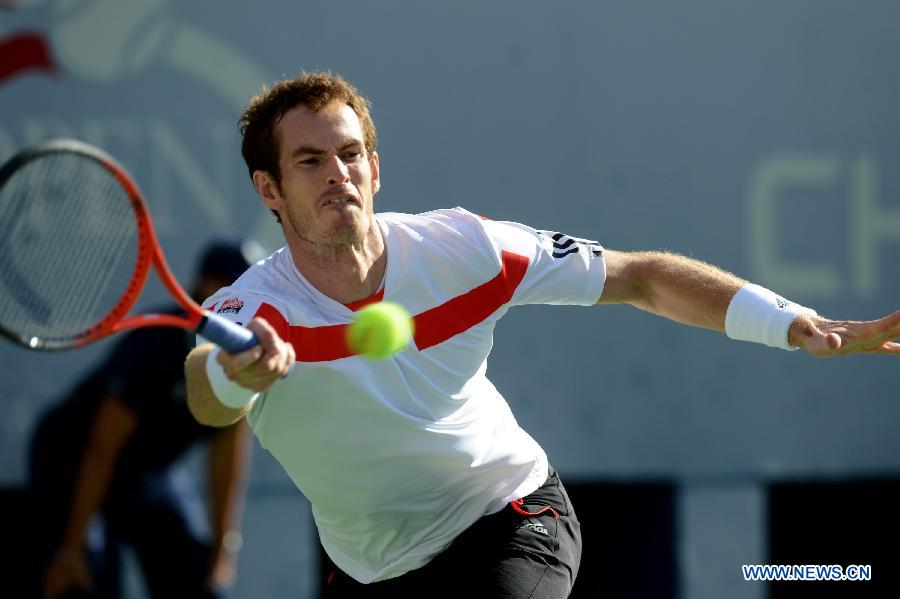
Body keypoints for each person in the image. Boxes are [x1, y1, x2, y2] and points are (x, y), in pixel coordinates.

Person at [184, 72, 900, 598]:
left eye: (349, 154)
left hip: (510, 515)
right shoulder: (250, 313)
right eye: (309, 161)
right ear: (270, 190)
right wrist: (234, 377)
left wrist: (789, 321)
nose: (337, 175)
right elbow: (205, 396)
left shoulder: (468, 250)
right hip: (369, 569)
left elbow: (640, 277)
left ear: (375, 167)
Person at [30, 241, 259, 599]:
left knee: (200, 586)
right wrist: (72, 549)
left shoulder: (243, 358)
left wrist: (222, 546)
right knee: (87, 582)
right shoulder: (153, 347)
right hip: (73, 464)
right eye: (236, 288)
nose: (248, 302)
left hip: (149, 474)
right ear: (204, 286)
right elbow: (101, 449)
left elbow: (226, 455)